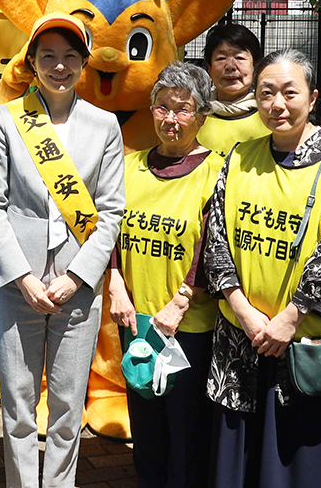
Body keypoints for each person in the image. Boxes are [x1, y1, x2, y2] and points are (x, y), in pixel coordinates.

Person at [203, 50, 321, 487]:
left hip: (306, 347)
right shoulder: (240, 157)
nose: (277, 104)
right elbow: (216, 239)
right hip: (241, 341)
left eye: (289, 92)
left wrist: (289, 319)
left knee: (302, 465)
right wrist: (242, 309)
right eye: (266, 93)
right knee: (239, 462)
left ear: (313, 98)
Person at [0, 13, 125, 488]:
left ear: (84, 62)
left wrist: (78, 276)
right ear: (33, 63)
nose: (58, 66)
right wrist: (21, 276)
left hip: (76, 285)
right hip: (15, 285)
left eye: (69, 57)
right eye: (48, 57)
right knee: (19, 402)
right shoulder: (6, 118)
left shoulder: (104, 125)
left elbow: (111, 211)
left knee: (67, 403)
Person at [107, 62, 223, 488]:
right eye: (162, 107)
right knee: (147, 427)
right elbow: (110, 232)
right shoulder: (129, 165)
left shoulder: (217, 171)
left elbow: (214, 243)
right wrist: (115, 282)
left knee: (187, 432)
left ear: (203, 115)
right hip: (136, 320)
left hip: (186, 326)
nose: (171, 119)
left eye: (183, 109)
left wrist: (182, 301)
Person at [198, 23, 270, 156]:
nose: (230, 66)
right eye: (221, 58)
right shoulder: (195, 116)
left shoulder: (270, 116)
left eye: (240, 58)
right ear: (210, 67)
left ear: (256, 66)